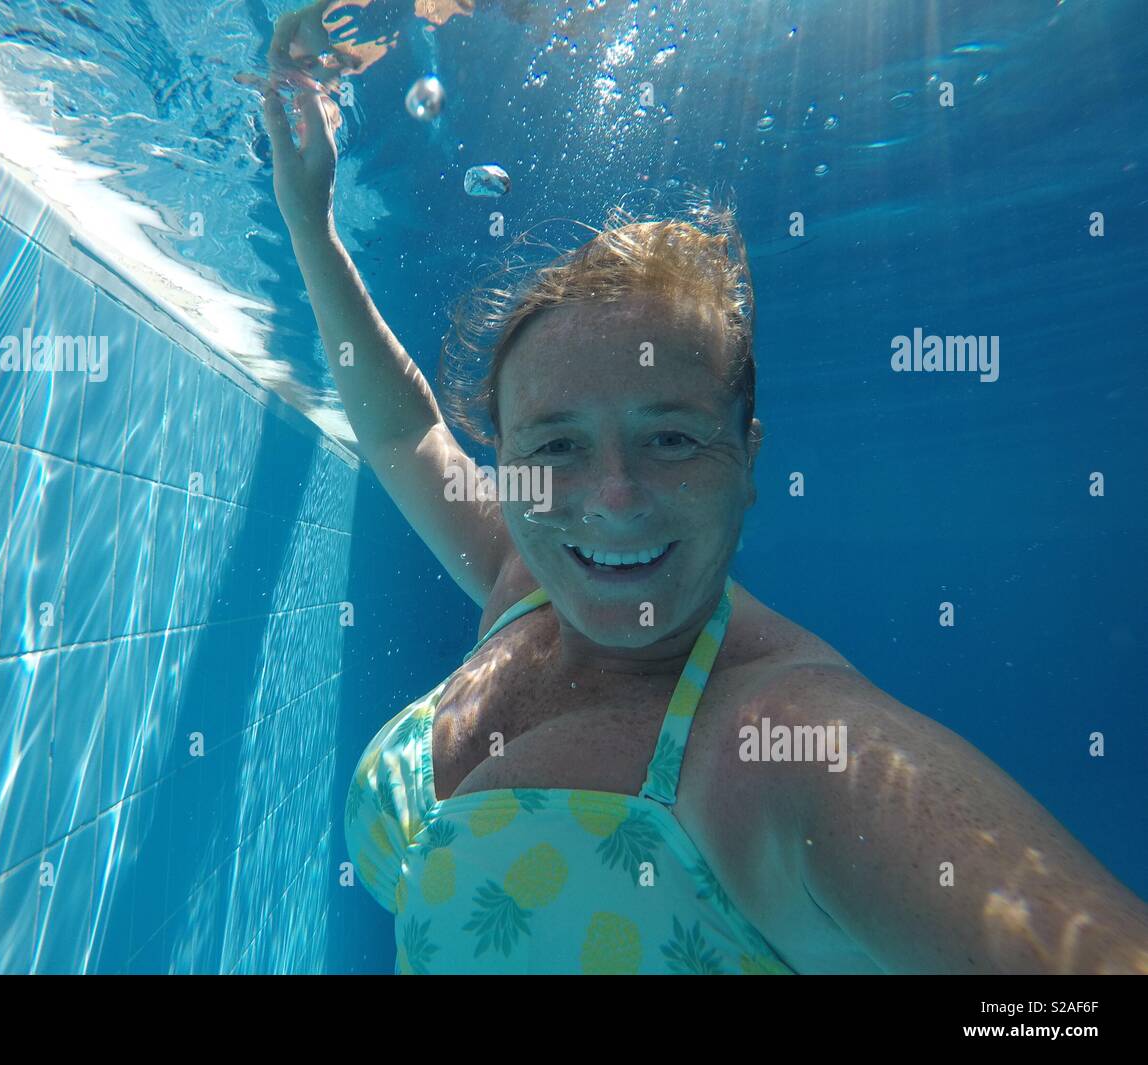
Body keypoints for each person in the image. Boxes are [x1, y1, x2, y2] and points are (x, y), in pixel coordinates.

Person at [254, 13, 1148, 975]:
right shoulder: (523, 578)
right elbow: (403, 431)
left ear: (749, 456)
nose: (613, 499)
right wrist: (311, 220)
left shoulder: (788, 742)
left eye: (669, 437)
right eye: (555, 444)